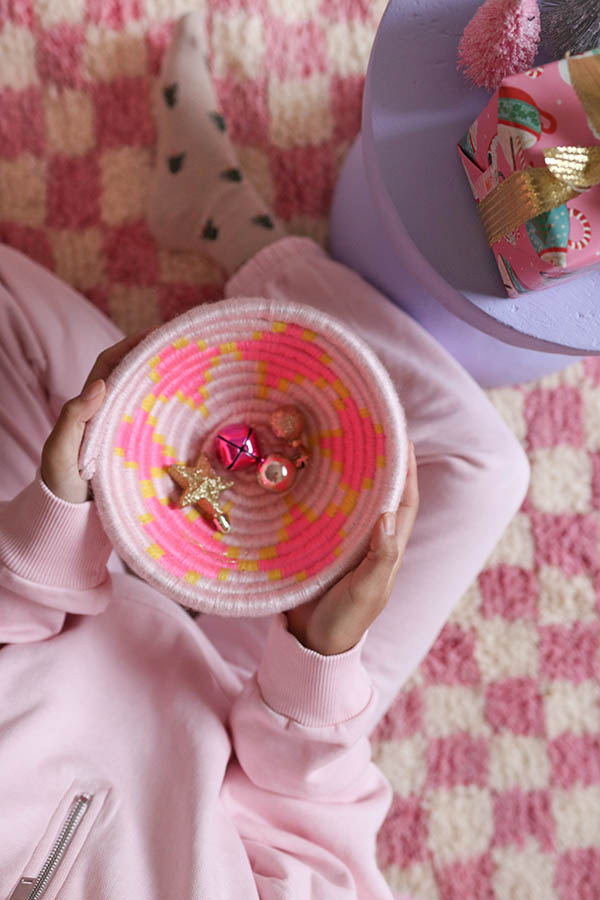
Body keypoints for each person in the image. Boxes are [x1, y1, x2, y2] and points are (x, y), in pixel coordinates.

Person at [0, 13, 530, 900]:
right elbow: (314, 834)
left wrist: (49, 528)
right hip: (260, 687)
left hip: (47, 605)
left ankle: (208, 223)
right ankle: (227, 217)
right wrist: (320, 658)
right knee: (484, 469)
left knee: (76, 365)